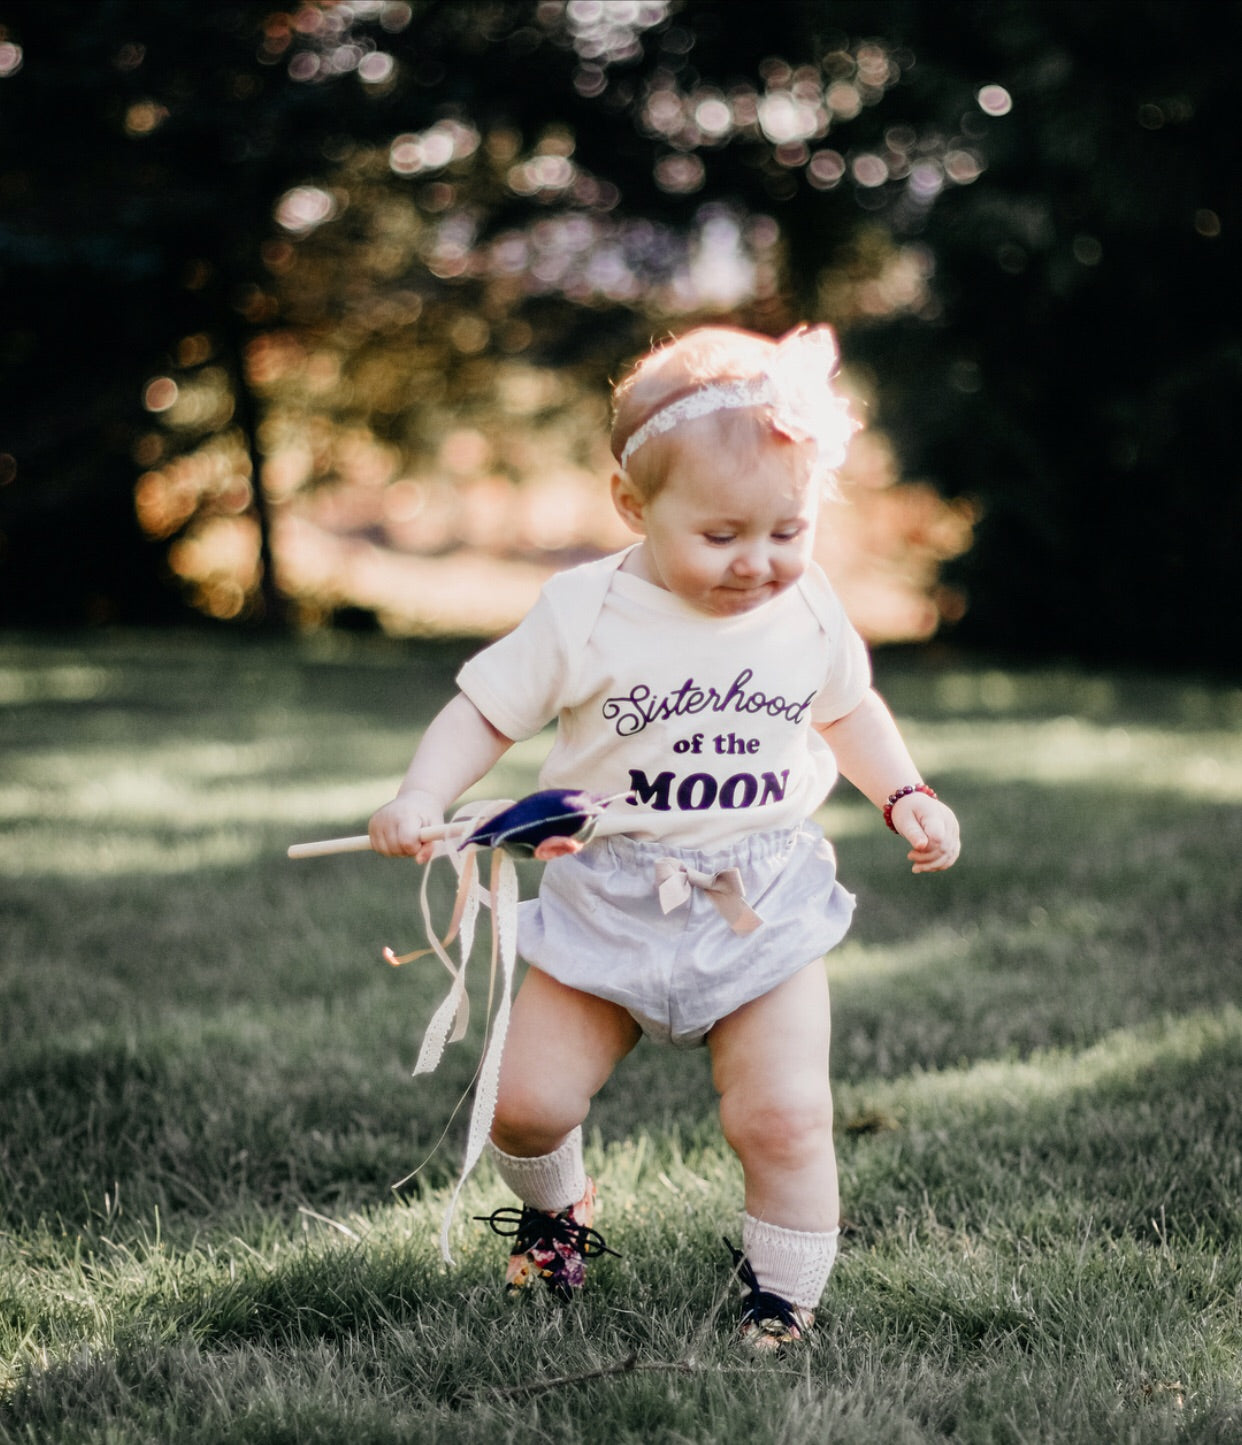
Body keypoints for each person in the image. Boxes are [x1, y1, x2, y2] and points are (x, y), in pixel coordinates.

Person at [368, 324, 960, 1349]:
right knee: (526, 1102)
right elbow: (485, 709)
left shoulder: (808, 607)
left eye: (789, 529)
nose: (760, 562)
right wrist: (424, 791)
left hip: (758, 902)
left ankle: (782, 1297)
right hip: (608, 892)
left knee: (780, 1118)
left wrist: (904, 791)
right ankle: (558, 1215)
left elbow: (850, 710)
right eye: (723, 534)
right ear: (634, 508)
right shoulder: (584, 609)